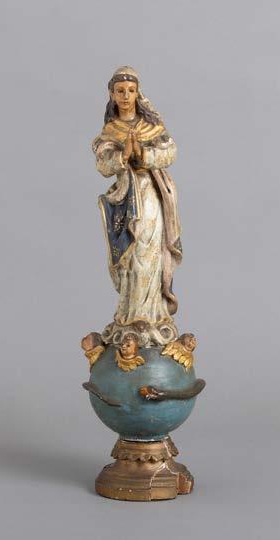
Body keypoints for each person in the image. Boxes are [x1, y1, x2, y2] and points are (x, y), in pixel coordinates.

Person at [92, 66, 183, 348]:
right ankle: (130, 315)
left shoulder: (150, 126)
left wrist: (143, 153)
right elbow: (103, 163)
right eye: (120, 91)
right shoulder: (111, 130)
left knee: (149, 250)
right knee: (129, 255)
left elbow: (170, 151)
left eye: (131, 91)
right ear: (111, 94)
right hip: (126, 198)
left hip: (150, 194)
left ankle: (152, 314)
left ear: (138, 93)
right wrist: (122, 156)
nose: (125, 96)